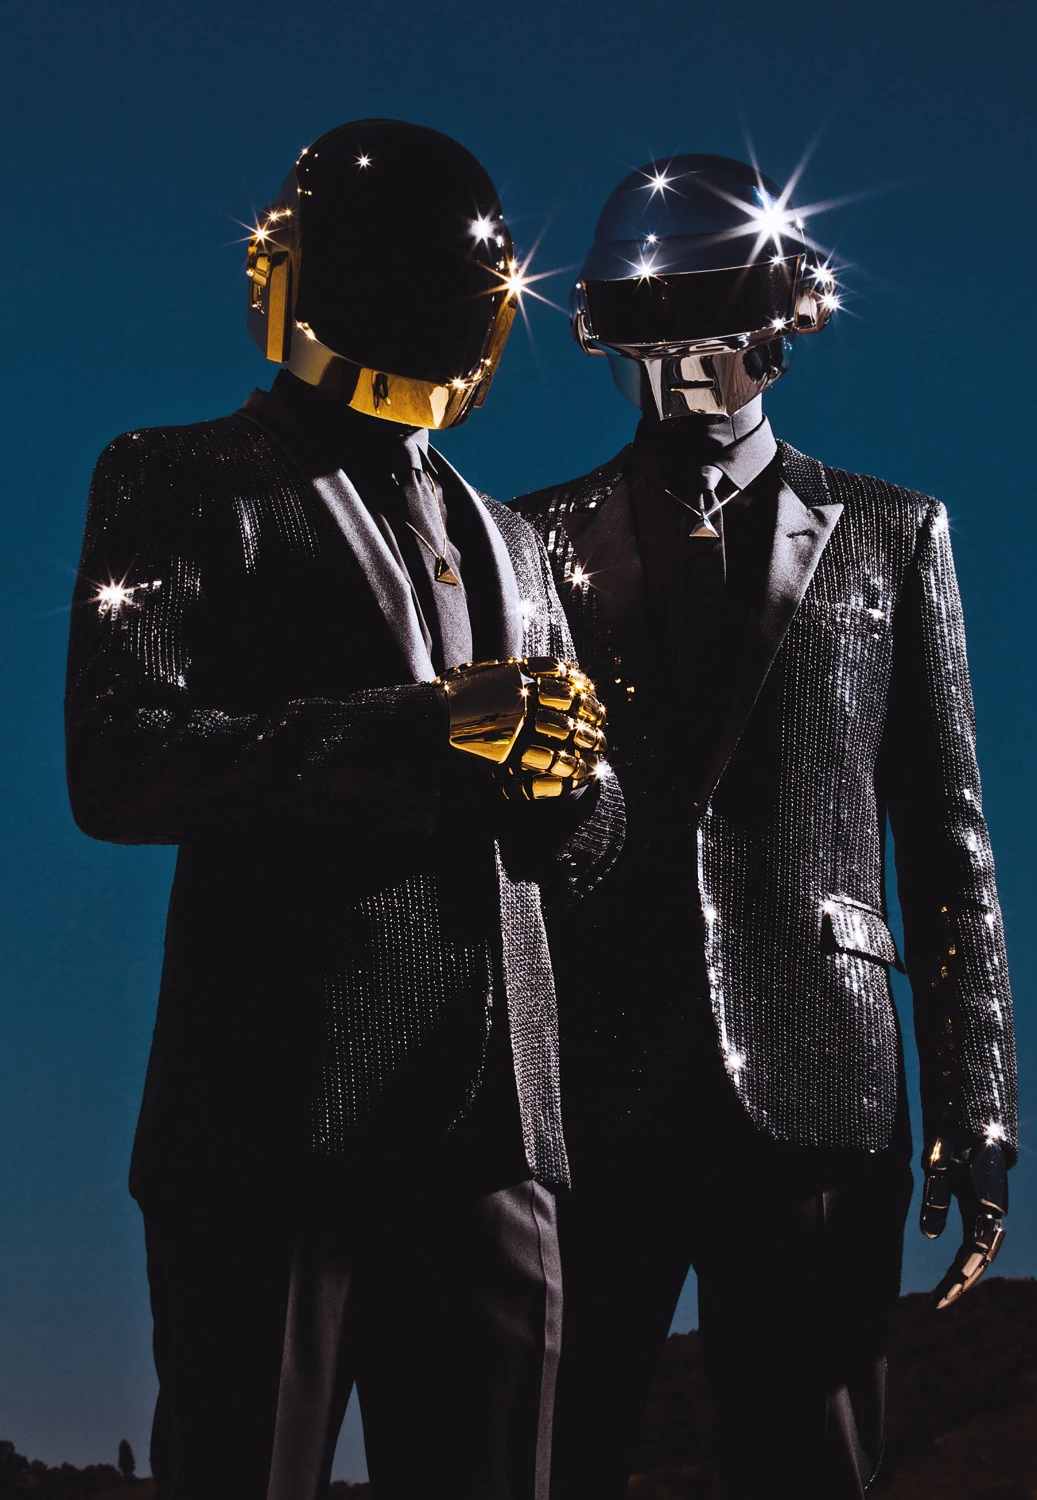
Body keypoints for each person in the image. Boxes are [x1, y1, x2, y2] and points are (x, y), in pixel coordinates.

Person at [65, 119, 622, 1500]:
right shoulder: (178, 477)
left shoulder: (518, 542)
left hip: (499, 1137)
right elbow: (121, 761)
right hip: (268, 1119)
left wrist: (575, 785)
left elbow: (586, 846)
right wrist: (423, 730)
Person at [510, 153, 1016, 1499]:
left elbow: (946, 841)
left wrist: (978, 1104)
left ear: (781, 322)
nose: (671, 360)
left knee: (811, 1463)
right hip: (586, 1078)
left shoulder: (894, 533)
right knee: (551, 1459)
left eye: (697, 317)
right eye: (639, 322)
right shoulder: (522, 543)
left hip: (819, 1077)